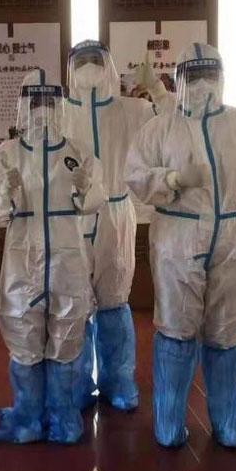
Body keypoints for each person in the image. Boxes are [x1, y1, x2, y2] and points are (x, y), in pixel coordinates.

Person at [125, 42, 236, 448]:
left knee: (225, 331)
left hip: (235, 237)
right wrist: (171, 179)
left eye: (208, 75)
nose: (202, 84)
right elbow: (134, 175)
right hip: (177, 239)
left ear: (220, 78)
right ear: (179, 81)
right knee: (176, 329)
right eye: (194, 76)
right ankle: (168, 425)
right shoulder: (161, 128)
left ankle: (228, 423)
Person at [0, 69, 107, 444]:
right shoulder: (6, 154)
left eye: (49, 102)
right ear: (23, 106)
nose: (42, 110)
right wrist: (3, 194)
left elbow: (95, 199)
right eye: (35, 102)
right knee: (23, 332)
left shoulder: (78, 152)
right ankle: (28, 418)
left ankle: (63, 418)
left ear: (60, 105)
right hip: (22, 258)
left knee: (67, 335)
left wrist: (85, 191)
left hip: (67, 257)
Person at [63, 40, 155, 412]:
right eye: (80, 60)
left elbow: (171, 128)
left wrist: (159, 90)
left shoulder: (132, 110)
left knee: (114, 298)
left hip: (116, 212)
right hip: (73, 215)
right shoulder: (59, 112)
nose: (88, 66)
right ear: (70, 69)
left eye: (95, 59)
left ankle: (118, 380)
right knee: (75, 301)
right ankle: (77, 383)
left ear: (109, 66)